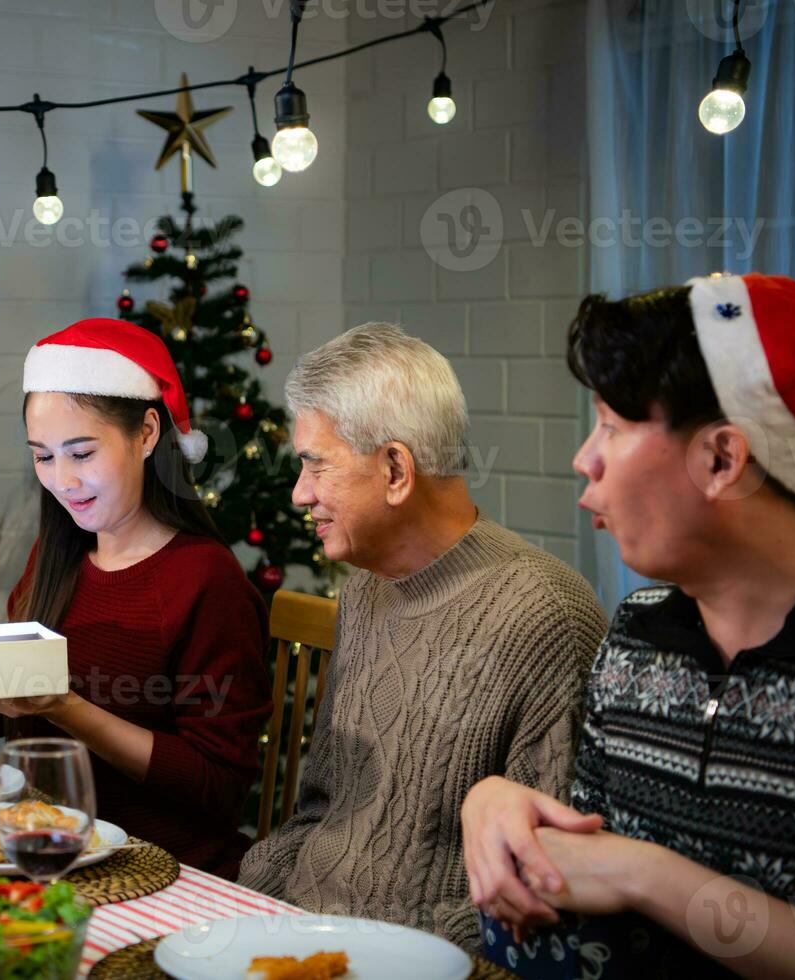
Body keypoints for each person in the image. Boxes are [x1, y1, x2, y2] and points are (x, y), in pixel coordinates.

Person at [462, 273, 795, 979]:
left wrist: (647, 874)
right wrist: (493, 800)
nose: (584, 458)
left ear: (720, 458)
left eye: (610, 425)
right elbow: (595, 853)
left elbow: (623, 869)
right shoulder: (637, 631)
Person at [237, 322, 606, 950]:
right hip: (298, 936)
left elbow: (539, 888)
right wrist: (248, 909)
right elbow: (319, 810)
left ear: (396, 470)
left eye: (315, 465)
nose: (301, 494)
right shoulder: (364, 590)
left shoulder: (546, 616)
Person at [0, 318, 272, 880]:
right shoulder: (58, 555)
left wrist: (65, 707)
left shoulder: (206, 581)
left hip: (163, 870)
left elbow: (219, 786)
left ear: (146, 434)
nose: (62, 481)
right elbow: (7, 722)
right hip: (46, 854)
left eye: (82, 453)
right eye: (43, 457)